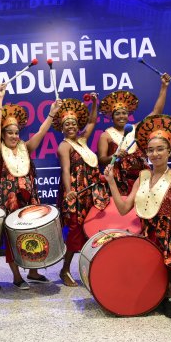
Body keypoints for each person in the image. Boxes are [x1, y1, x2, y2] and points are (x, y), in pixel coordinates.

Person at [104, 114, 171, 318]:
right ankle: (157, 296)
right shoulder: (142, 177)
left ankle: (168, 296)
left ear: (169, 151)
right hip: (150, 236)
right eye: (151, 150)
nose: (155, 153)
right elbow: (124, 209)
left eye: (160, 149)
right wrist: (111, 182)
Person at [0, 82, 61, 289]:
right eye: (9, 132)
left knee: (33, 233)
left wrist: (51, 114)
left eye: (16, 132)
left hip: (29, 200)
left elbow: (40, 132)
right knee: (12, 237)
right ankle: (16, 276)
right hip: (8, 203)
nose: (14, 136)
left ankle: (33, 271)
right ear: (3, 134)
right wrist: (0, 98)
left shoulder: (25, 148)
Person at [55, 94, 109, 287]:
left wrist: (95, 103)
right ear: (61, 128)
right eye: (67, 125)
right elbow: (66, 170)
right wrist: (69, 191)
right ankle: (65, 269)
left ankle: (93, 267)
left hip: (92, 193)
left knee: (93, 230)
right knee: (76, 231)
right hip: (76, 194)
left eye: (74, 124)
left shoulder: (83, 140)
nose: (71, 127)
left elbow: (93, 120)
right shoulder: (64, 146)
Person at [98, 73, 171, 195]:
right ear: (112, 117)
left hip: (142, 176)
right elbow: (101, 160)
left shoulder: (136, 128)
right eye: (117, 114)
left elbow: (156, 112)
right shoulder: (106, 135)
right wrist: (114, 156)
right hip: (120, 181)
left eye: (124, 113)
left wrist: (164, 86)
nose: (121, 116)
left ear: (128, 115)